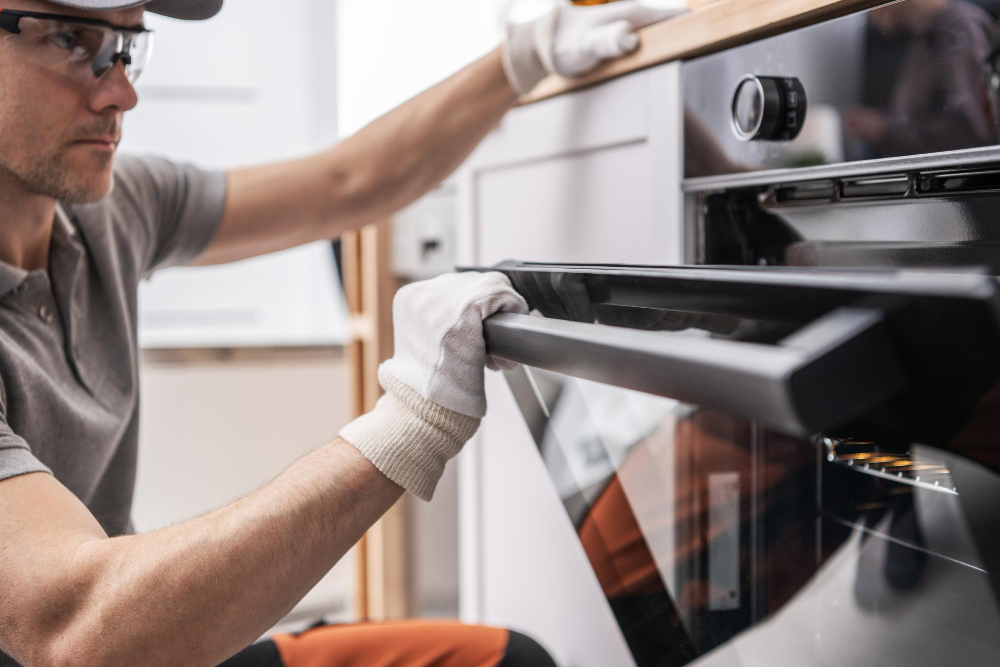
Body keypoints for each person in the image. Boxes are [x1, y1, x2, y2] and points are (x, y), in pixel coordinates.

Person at [0, 0, 686, 664]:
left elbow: (348, 180)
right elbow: (78, 629)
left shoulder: (113, 213)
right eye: (71, 40)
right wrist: (410, 419)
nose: (121, 92)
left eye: (126, 46)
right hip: (114, 644)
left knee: (506, 661)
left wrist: (520, 56)